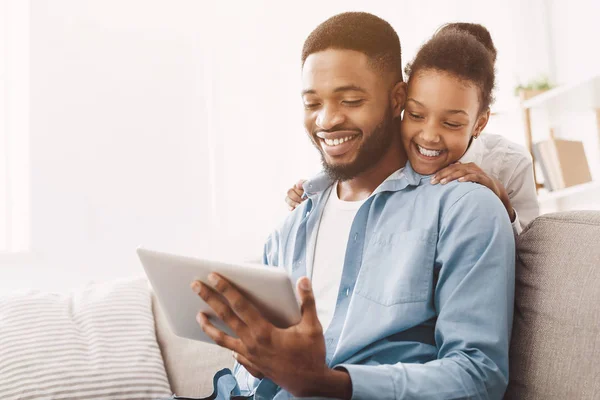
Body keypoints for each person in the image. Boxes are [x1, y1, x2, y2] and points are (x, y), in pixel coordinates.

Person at [181, 12, 515, 399]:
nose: (327, 120)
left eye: (351, 100)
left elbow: (480, 376)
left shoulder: (464, 207)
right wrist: (255, 358)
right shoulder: (293, 224)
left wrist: (328, 384)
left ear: (397, 99)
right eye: (312, 103)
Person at [285, 23, 539, 235]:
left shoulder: (509, 163)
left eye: (451, 123)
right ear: (401, 101)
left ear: (480, 122)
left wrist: (503, 208)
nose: (428, 136)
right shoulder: (398, 144)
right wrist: (312, 188)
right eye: (415, 114)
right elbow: (357, 161)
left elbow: (530, 258)